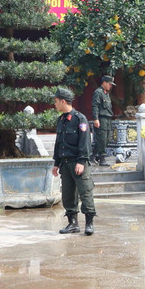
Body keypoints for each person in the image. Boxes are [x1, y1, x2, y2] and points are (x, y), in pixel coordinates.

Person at [51, 87, 97, 235]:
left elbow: (85, 142)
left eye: (56, 101)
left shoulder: (79, 119)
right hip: (65, 164)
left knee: (85, 192)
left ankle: (89, 224)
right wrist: (56, 163)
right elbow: (59, 143)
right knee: (68, 195)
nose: (55, 104)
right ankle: (73, 224)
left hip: (78, 162)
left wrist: (81, 161)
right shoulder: (62, 120)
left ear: (63, 101)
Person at [91, 75, 116, 166]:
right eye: (109, 84)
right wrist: (96, 119)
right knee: (102, 139)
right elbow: (95, 106)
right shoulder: (98, 92)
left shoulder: (106, 93)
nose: (110, 86)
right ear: (104, 82)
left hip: (107, 118)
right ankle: (102, 158)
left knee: (107, 139)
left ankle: (93, 155)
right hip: (101, 118)